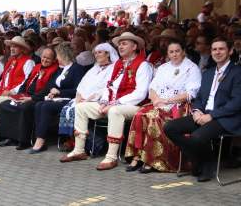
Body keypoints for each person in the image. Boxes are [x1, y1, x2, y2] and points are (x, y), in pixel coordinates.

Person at [59, 32, 153, 170]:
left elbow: (140, 93)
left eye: (124, 43)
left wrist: (114, 103)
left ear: (134, 47)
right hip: (112, 103)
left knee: (115, 111)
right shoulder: (119, 64)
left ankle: (111, 157)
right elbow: (109, 86)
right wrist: (104, 101)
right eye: (120, 44)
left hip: (134, 105)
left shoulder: (143, 65)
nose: (120, 46)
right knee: (81, 107)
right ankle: (79, 150)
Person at [164, 37, 241, 182]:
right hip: (204, 114)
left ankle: (205, 163)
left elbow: (237, 102)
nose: (217, 52)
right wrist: (197, 111)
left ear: (230, 51)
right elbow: (199, 98)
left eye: (221, 49)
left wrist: (212, 116)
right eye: (214, 49)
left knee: (197, 137)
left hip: (226, 118)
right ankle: (201, 158)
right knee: (170, 127)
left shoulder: (237, 72)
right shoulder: (208, 73)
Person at [125, 40, 201, 173]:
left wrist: (166, 101)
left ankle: (152, 160)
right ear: (168, 53)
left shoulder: (192, 68)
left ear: (183, 51)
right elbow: (152, 88)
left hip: (178, 106)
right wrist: (155, 100)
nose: (175, 54)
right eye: (171, 52)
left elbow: (190, 93)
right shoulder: (163, 67)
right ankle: (137, 157)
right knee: (139, 115)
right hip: (159, 102)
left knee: (153, 117)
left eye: (177, 51)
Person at [0, 47, 59, 149]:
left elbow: (48, 89)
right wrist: (19, 95)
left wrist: (32, 98)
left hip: (38, 99)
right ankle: (9, 137)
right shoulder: (37, 67)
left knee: (24, 108)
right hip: (26, 95)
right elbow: (25, 82)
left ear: (54, 60)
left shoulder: (55, 70)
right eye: (43, 57)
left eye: (48, 58)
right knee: (4, 105)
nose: (45, 60)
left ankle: (23, 141)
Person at [28, 42, 85, 154]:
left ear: (63, 55)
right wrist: (51, 93)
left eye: (57, 55)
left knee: (45, 107)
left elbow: (78, 90)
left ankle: (40, 140)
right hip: (57, 98)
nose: (56, 58)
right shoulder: (60, 69)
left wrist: (60, 92)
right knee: (39, 104)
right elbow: (51, 85)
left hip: (70, 100)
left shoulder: (77, 69)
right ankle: (40, 138)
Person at [58, 43, 118, 141]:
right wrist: (78, 97)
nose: (96, 55)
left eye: (100, 52)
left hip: (97, 101)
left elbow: (106, 88)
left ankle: (82, 142)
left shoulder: (113, 69)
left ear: (107, 54)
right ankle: (70, 139)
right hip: (82, 99)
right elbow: (82, 84)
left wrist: (89, 99)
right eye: (95, 53)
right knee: (67, 109)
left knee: (76, 109)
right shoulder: (94, 68)